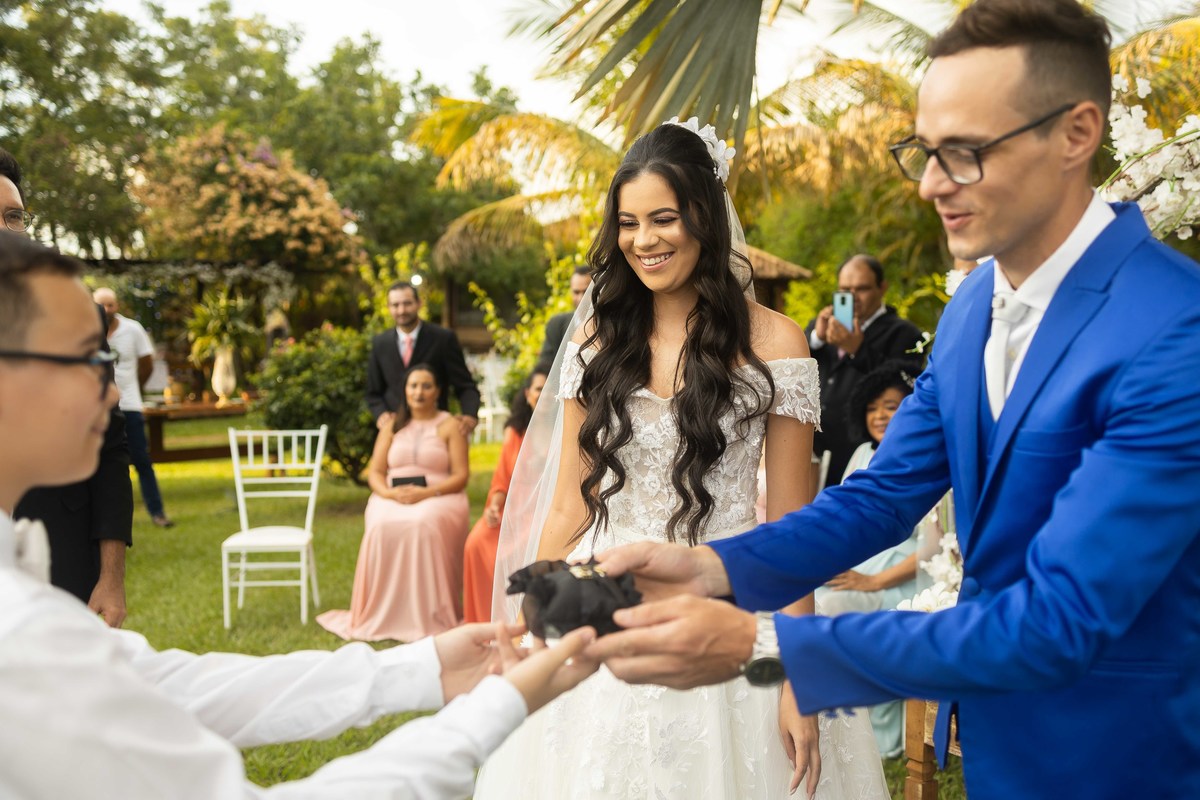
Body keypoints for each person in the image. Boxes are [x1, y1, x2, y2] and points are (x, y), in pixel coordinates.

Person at [588, 2, 1200, 797]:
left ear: (1077, 134)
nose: (934, 184)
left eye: (966, 152)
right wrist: (709, 568)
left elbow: (1059, 620)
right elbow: (879, 498)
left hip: (1127, 756)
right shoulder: (973, 309)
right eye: (925, 151)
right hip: (999, 747)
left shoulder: (1173, 330)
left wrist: (760, 648)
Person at [0, 230, 600, 798]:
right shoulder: (19, 632)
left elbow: (166, 684)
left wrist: (426, 666)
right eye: (86, 359)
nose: (110, 389)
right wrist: (494, 708)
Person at [474, 120, 887, 799]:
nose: (644, 241)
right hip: (603, 599)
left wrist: (797, 674)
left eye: (663, 218)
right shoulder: (598, 341)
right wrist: (529, 623)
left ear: (704, 215)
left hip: (730, 601)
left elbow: (794, 523)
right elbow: (569, 504)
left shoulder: (779, 344)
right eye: (629, 223)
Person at [1, 146, 135, 625]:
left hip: (64, 554)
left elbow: (110, 449)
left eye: (13, 217)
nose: (5, 230)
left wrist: (111, 577)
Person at [814, 360, 920, 759]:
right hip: (860, 565)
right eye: (873, 407)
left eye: (891, 406)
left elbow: (935, 546)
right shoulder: (862, 452)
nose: (879, 415)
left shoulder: (926, 460)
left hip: (904, 578)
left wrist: (872, 582)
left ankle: (869, 734)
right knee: (804, 597)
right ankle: (821, 723)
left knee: (835, 604)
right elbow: (844, 518)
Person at [320, 364, 472, 642]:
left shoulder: (450, 424)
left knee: (423, 523)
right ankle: (382, 612)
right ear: (405, 390)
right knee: (381, 524)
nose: (419, 392)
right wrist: (390, 495)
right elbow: (375, 473)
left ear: (437, 391)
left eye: (426, 386)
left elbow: (461, 476)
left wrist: (427, 493)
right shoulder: (391, 425)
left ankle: (428, 615)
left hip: (439, 495)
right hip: (391, 495)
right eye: (413, 386)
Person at [807, 254, 923, 486]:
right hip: (815, 453)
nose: (852, 297)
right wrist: (817, 338)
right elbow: (794, 367)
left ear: (882, 288)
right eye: (844, 289)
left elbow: (901, 385)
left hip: (863, 455)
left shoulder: (904, 333)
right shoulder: (823, 326)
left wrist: (858, 350)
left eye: (861, 289)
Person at [462, 367, 547, 623]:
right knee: (476, 542)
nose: (543, 395)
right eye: (538, 389)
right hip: (514, 506)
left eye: (548, 390)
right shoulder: (515, 432)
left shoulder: (565, 429)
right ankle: (482, 620)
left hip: (543, 508)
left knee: (524, 547)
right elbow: (501, 478)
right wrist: (494, 507)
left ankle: (517, 618)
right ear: (527, 394)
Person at [93, 285, 173, 528]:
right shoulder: (85, 331)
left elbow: (147, 363)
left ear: (117, 306)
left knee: (141, 460)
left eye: (111, 304)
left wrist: (131, 387)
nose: (107, 309)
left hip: (129, 406)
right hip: (95, 411)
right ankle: (97, 517)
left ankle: (157, 512)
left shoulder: (132, 329)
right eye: (101, 305)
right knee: (97, 464)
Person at [366, 281, 480, 435]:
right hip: (395, 431)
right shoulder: (380, 343)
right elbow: (373, 392)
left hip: (435, 430)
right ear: (388, 308)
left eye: (407, 304)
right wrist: (381, 414)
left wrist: (469, 414)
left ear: (419, 303)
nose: (401, 310)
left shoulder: (443, 339)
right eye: (395, 305)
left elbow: (465, 385)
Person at [535, 266, 592, 370]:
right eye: (576, 292)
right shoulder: (556, 325)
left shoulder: (609, 325)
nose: (580, 298)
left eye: (586, 292)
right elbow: (545, 366)